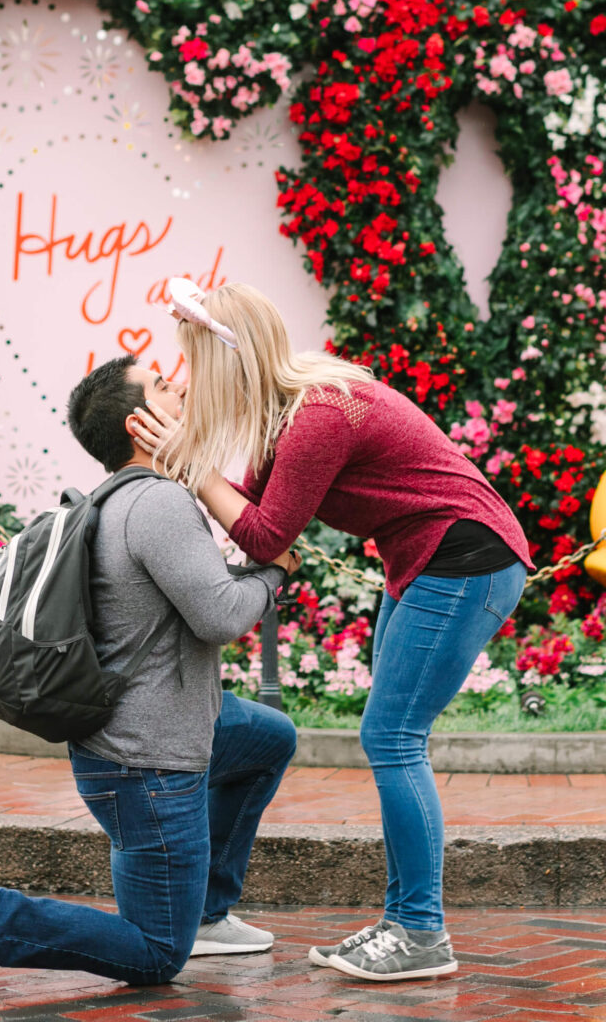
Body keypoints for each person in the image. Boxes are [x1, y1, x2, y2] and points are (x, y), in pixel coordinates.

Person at [130, 278, 532, 982]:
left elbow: (264, 535)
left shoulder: (319, 414)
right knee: (393, 737)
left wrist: (191, 470)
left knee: (392, 738)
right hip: (427, 561)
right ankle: (404, 921)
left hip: (466, 560)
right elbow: (253, 512)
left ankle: (419, 930)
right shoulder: (285, 411)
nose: (185, 378)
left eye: (191, 358)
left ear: (228, 360)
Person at [0, 353, 299, 997]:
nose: (179, 384)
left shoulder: (120, 499)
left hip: (164, 726)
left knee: (269, 738)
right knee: (154, 955)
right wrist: (275, 571)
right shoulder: (156, 504)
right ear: (138, 423)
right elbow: (220, 615)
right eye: (161, 385)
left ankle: (204, 911)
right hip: (148, 762)